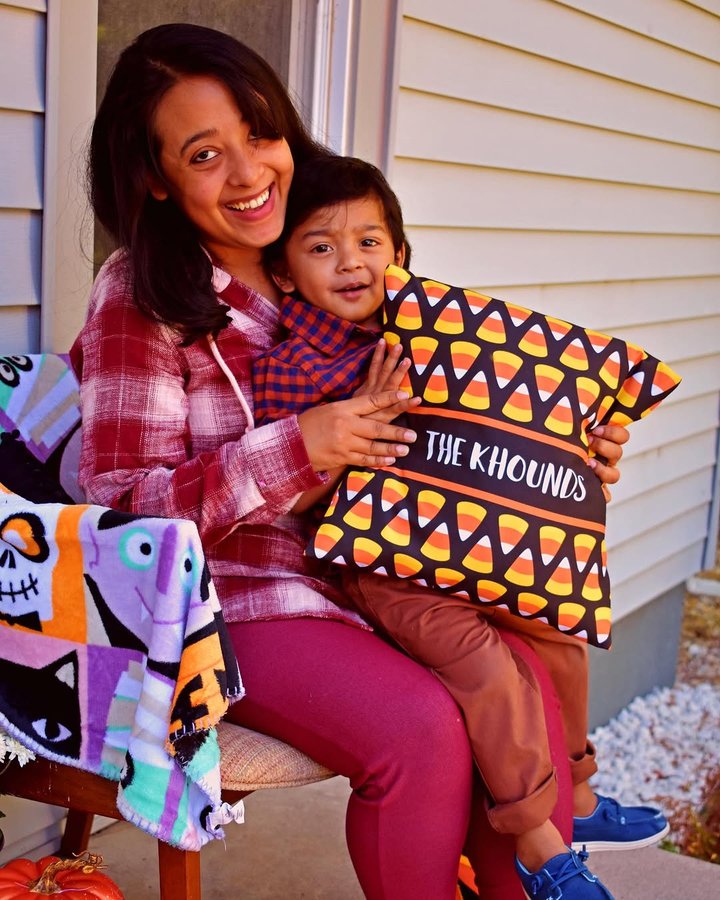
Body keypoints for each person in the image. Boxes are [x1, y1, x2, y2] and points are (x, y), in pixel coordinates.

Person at [69, 23, 633, 900]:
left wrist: (562, 441)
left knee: (520, 688)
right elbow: (115, 515)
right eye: (206, 154)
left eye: (259, 134)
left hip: (383, 567)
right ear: (157, 179)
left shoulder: (333, 244)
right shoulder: (142, 298)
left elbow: (454, 398)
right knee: (424, 731)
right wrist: (299, 448)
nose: (251, 173)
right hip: (235, 597)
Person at [252, 154, 669, 897]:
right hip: (379, 567)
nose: (351, 263)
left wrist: (579, 439)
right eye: (321, 247)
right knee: (486, 667)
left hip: (468, 546)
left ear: (400, 256)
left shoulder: (437, 336)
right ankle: (538, 844)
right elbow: (293, 493)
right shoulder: (293, 365)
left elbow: (503, 415)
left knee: (557, 639)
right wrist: (358, 427)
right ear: (284, 272)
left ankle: (576, 797)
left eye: (370, 243)